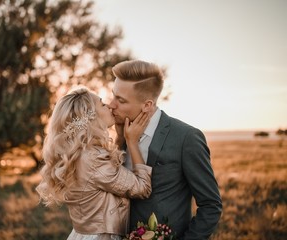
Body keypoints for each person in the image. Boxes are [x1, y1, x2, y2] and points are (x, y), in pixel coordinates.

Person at [108, 60, 223, 239]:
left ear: (147, 105)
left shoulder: (186, 138)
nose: (111, 104)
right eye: (113, 95)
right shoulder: (119, 132)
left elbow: (211, 205)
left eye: (120, 100)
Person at [36, 87, 152, 240]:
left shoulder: (78, 154)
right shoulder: (93, 159)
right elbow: (142, 188)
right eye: (102, 104)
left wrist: (119, 138)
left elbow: (109, 177)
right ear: (90, 117)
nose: (110, 106)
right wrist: (132, 141)